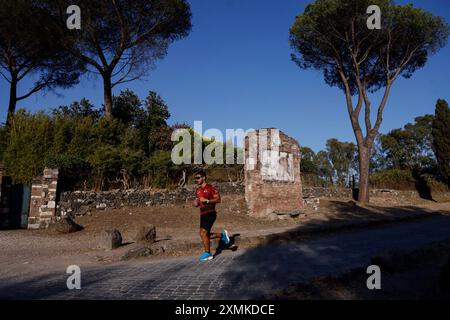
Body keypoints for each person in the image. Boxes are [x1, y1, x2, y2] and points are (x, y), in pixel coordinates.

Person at [193, 170, 230, 261]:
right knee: (204, 234)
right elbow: (198, 201)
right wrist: (195, 203)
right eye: (196, 178)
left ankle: (208, 253)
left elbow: (218, 199)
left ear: (203, 177)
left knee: (203, 233)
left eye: (198, 178)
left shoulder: (210, 188)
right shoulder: (198, 190)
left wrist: (207, 200)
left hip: (210, 212)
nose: (196, 180)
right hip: (202, 213)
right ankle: (222, 236)